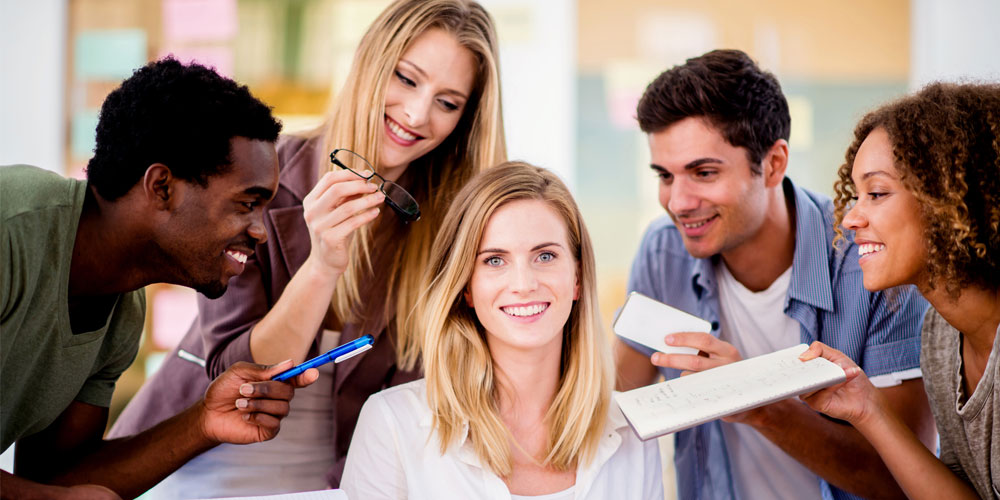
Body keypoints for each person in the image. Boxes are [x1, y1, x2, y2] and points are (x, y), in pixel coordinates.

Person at [108, 0, 506, 496]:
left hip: (334, 477)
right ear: (371, 64)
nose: (416, 113)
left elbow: (421, 398)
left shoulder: (443, 227)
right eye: (406, 79)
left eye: (448, 103)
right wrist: (323, 266)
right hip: (192, 456)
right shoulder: (260, 176)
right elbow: (239, 373)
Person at [613, 49, 936, 500]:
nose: (678, 202)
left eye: (703, 172)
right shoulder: (662, 251)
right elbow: (613, 406)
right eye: (665, 176)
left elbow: (902, 482)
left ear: (774, 163)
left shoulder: (874, 261)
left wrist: (753, 402)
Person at [0, 58, 317, 500]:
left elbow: (59, 475)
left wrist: (203, 422)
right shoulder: (10, 226)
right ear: (162, 186)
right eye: (247, 203)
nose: (261, 230)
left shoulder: (122, 309)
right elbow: (55, 495)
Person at [340, 161, 663, 499]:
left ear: (577, 278)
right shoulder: (393, 424)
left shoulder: (631, 430)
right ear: (466, 287)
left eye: (545, 256)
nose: (524, 284)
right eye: (495, 260)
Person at [799, 82, 1000, 499]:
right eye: (855, 195)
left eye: (876, 193)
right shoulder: (940, 335)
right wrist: (867, 407)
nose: (850, 218)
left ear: (949, 197)